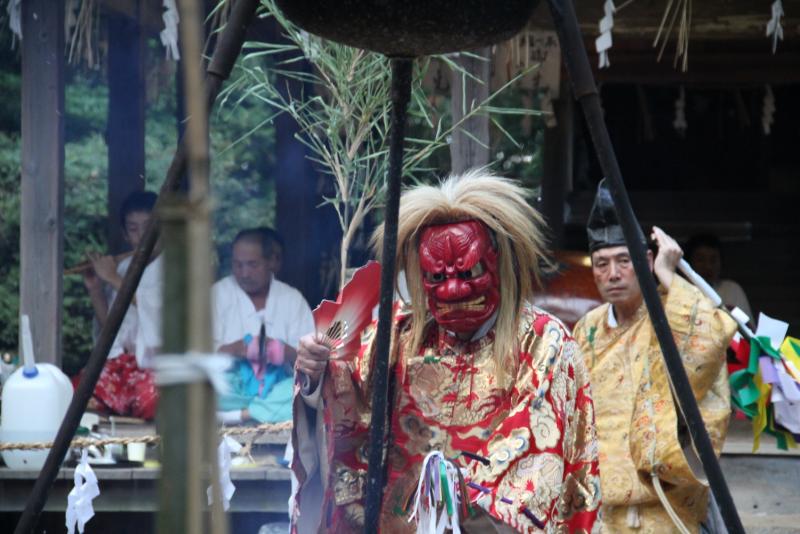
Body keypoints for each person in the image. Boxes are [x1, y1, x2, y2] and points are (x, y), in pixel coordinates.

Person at [293, 172, 600, 532]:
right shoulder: (393, 336)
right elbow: (347, 410)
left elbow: (536, 458)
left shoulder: (543, 342)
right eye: (436, 277)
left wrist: (453, 505)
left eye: (469, 271)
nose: (453, 290)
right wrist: (315, 374)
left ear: (499, 263)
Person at [572, 180, 737, 533]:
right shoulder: (587, 328)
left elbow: (708, 344)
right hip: (603, 508)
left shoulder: (673, 312)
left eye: (623, 261)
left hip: (666, 505)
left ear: (646, 259)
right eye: (601, 264)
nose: (612, 274)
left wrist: (668, 272)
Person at [212, 227, 314, 425]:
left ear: (272, 262)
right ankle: (263, 412)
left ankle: (244, 415)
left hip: (277, 389)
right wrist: (232, 349)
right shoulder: (216, 295)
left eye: (252, 265)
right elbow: (196, 354)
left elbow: (311, 362)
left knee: (305, 390)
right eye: (237, 265)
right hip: (232, 391)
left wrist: (286, 352)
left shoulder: (292, 299)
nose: (244, 273)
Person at [80, 190, 163, 419]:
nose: (142, 236)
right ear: (126, 235)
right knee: (77, 393)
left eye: (148, 227)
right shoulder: (124, 267)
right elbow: (112, 328)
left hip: (159, 368)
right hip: (125, 366)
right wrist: (96, 288)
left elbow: (159, 315)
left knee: (153, 400)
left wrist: (114, 280)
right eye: (134, 229)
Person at [685, 233, 753, 323]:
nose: (708, 266)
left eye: (713, 260)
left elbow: (749, 330)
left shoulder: (732, 289)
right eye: (700, 260)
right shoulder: (680, 291)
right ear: (689, 263)